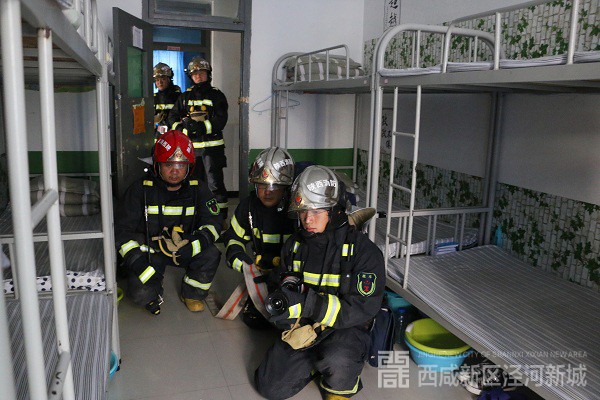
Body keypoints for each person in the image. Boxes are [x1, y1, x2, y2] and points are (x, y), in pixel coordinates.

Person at [255, 165, 386, 400]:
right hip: (305, 327)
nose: (308, 219)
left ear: (334, 211)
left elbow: (362, 308)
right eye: (303, 211)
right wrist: (285, 304)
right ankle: (316, 363)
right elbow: (280, 283)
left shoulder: (364, 252)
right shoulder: (294, 245)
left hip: (345, 330)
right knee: (268, 387)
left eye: (316, 211)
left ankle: (341, 383)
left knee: (337, 357)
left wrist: (308, 304)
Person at [115, 130, 222, 315]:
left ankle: (192, 293)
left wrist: (195, 244)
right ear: (157, 165)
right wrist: (137, 262)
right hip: (151, 250)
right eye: (168, 164)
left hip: (185, 247)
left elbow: (214, 222)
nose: (175, 171)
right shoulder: (140, 190)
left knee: (211, 254)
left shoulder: (199, 189)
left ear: (189, 166)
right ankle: (154, 289)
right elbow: (122, 230)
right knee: (141, 295)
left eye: (181, 165)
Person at [221, 147, 296, 328]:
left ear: (286, 187)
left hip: (291, 274)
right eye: (262, 185)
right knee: (254, 320)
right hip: (261, 272)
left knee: (284, 319)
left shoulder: (296, 211)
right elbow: (233, 238)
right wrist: (243, 262)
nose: (267, 192)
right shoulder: (248, 208)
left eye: (274, 186)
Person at [167, 56, 229, 221]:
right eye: (195, 74)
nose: (198, 76)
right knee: (192, 183)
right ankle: (196, 216)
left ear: (208, 74)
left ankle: (220, 218)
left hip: (212, 149)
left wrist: (201, 127)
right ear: (191, 76)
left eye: (202, 73)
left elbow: (221, 120)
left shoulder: (217, 95)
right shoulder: (185, 97)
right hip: (190, 150)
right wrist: (183, 129)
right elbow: (172, 117)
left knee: (214, 184)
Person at [153, 62, 181, 136]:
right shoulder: (154, 98)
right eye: (157, 80)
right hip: (158, 137)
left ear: (169, 79)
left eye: (163, 79)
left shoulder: (178, 97)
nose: (160, 82)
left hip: (174, 135)